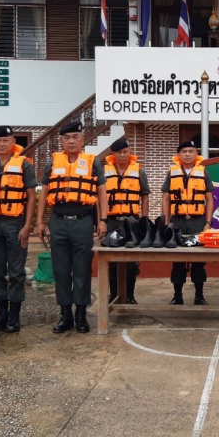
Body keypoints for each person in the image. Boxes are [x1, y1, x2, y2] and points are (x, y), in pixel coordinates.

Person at [35, 121, 108, 334]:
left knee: (82, 269)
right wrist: (40, 221)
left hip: (83, 221)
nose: (71, 141)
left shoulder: (93, 162)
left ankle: (81, 314)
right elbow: (44, 194)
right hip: (58, 221)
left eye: (75, 137)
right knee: (61, 270)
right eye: (67, 138)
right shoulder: (52, 163)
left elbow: (102, 193)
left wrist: (102, 220)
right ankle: (65, 314)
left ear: (82, 140)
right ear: (61, 141)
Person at [0, 126, 38, 333]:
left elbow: (31, 196)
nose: (1, 144)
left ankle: (14, 315)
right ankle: (1, 313)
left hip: (15, 222)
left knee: (17, 271)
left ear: (13, 142)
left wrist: (27, 225)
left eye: (5, 140)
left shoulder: (24, 164)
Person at [162, 140, 214, 305]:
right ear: (179, 155)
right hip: (177, 221)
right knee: (177, 262)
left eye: (191, 151)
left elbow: (209, 199)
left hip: (197, 222)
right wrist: (166, 222)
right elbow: (166, 198)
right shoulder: (172, 172)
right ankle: (177, 296)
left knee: (198, 262)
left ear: (196, 154)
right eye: (184, 151)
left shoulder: (203, 172)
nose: (187, 154)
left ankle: (199, 296)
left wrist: (208, 222)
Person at [104, 136, 150, 304]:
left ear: (130, 152)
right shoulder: (104, 172)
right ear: (113, 154)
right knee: (111, 261)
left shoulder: (139, 171)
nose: (122, 155)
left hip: (132, 221)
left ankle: (130, 296)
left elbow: (145, 195)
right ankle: (114, 295)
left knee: (131, 261)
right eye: (119, 152)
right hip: (111, 221)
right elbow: (99, 197)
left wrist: (144, 219)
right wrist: (100, 221)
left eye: (125, 152)